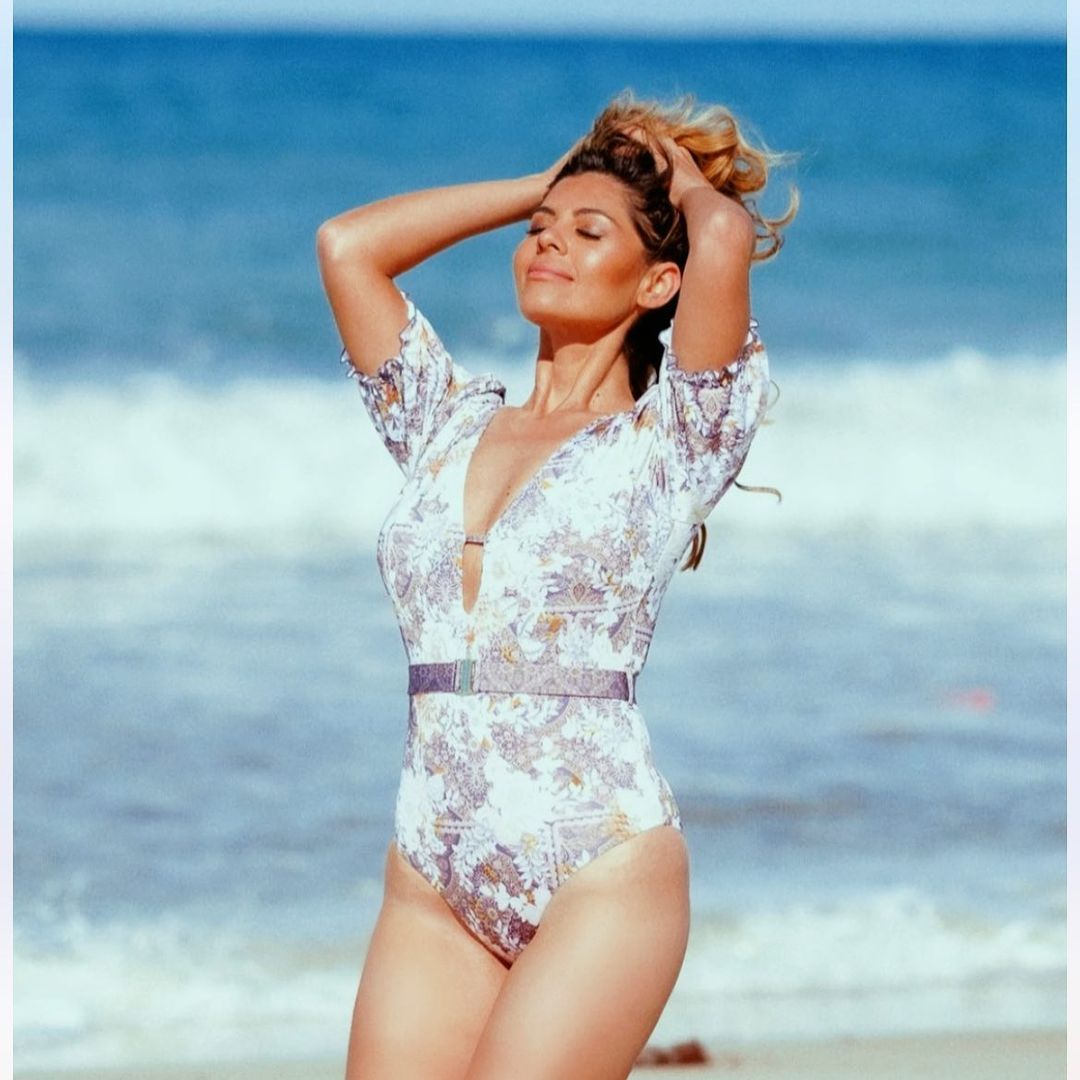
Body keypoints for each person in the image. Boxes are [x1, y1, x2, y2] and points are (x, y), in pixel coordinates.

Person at [316, 90, 797, 1080]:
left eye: (588, 232)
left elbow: (721, 237)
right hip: (434, 867)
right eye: (540, 229)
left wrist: (686, 180)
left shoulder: (673, 442)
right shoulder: (443, 421)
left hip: (602, 866)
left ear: (658, 282)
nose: (549, 241)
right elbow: (348, 247)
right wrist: (546, 182)